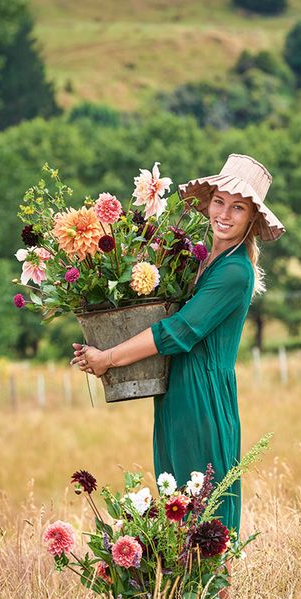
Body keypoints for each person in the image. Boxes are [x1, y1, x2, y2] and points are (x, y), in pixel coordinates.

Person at [71, 154, 285, 534]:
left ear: (252, 218)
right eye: (219, 201)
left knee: (204, 510)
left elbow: (177, 331)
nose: (225, 213)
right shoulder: (201, 262)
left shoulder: (235, 271)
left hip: (201, 394)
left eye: (238, 207)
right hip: (176, 391)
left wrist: (108, 358)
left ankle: (211, 591)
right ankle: (177, 591)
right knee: (178, 504)